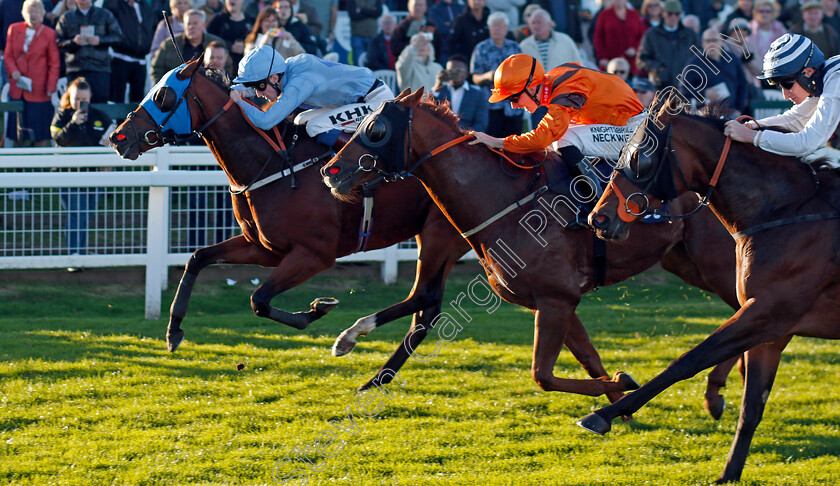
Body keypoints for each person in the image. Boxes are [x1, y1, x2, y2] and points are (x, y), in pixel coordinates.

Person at [470, 53, 646, 227]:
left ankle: (595, 209)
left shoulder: (566, 87)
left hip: (635, 131)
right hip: (622, 126)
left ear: (532, 88)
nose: (513, 105)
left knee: (564, 138)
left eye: (514, 98)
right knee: (562, 139)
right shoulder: (554, 80)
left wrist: (498, 142)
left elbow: (542, 137)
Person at [228, 45, 394, 146]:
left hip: (377, 103)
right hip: (357, 101)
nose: (258, 93)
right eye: (254, 87)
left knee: (315, 126)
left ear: (273, 77)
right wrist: (229, 89)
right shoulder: (286, 70)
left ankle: (352, 166)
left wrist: (240, 102)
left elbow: (265, 121)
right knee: (301, 120)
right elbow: (251, 86)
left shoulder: (300, 83)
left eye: (259, 86)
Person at [724, 33, 840, 162]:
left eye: (787, 84)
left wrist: (752, 136)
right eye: (780, 86)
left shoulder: (836, 81)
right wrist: (751, 126)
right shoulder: (825, 77)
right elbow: (794, 120)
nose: (785, 95)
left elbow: (807, 143)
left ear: (808, 72)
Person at [50, 77, 113, 259]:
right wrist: (73, 123)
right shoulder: (62, 116)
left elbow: (114, 133)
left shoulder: (99, 115)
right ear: (69, 96)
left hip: (93, 175)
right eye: (76, 98)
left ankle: (81, 252)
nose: (80, 103)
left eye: (84, 100)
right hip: (68, 175)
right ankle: (74, 255)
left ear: (90, 98)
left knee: (85, 217)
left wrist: (110, 140)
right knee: (75, 216)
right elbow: (58, 138)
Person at [5, 0, 58, 147]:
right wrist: (14, 71)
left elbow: (54, 63)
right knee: (17, 134)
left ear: (42, 14)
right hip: (18, 89)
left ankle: (42, 168)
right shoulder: (14, 29)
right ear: (23, 13)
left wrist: (51, 86)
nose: (33, 15)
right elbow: (8, 55)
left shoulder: (49, 34)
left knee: (41, 135)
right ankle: (18, 168)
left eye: (36, 11)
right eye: (30, 11)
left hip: (40, 91)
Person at [55, 0, 123, 102]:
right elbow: (58, 41)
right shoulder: (66, 17)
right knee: (75, 107)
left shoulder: (105, 15)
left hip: (99, 69)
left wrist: (100, 40)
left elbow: (118, 36)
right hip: (75, 70)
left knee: (99, 107)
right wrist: (73, 42)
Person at [471, 11, 522, 138]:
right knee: (491, 144)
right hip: (491, 106)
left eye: (501, 25)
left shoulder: (515, 48)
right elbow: (475, 77)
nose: (497, 29)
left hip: (513, 105)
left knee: (514, 145)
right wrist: (488, 76)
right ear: (489, 28)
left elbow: (523, 74)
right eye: (494, 25)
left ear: (506, 29)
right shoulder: (481, 48)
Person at [679, 27, 749, 115]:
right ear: (702, 43)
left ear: (721, 41)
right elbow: (683, 90)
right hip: (706, 115)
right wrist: (704, 93)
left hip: (731, 112)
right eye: (708, 41)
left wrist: (739, 109)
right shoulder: (694, 62)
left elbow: (743, 85)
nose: (711, 44)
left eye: (714, 40)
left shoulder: (732, 59)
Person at [637, 0, 700, 89]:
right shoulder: (652, 34)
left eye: (677, 14)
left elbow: (699, 57)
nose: (673, 17)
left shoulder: (691, 35)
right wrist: (657, 68)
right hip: (660, 87)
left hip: (685, 87)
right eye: (670, 13)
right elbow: (641, 60)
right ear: (663, 14)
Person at [103, 0, 156, 103]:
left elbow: (151, 26)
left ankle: (135, 119)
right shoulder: (116, 5)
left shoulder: (145, 6)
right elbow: (107, 13)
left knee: (138, 100)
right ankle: (119, 120)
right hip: (120, 58)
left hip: (140, 61)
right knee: (117, 97)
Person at [151, 9, 225, 83]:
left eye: (195, 23)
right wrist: (164, 89)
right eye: (188, 24)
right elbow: (156, 68)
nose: (191, 27)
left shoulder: (215, 43)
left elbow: (226, 67)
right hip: (176, 90)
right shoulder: (169, 45)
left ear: (204, 25)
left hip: (206, 89)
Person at [432, 53, 488, 132]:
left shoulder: (478, 94)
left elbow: (481, 124)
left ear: (466, 74)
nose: (454, 73)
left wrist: (464, 137)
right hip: (440, 137)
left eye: (458, 71)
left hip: (466, 139)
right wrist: (438, 84)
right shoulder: (440, 90)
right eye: (451, 70)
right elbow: (428, 110)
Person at [593, 0, 646, 74]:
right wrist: (602, 57)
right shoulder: (604, 15)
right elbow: (598, 37)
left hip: (631, 61)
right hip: (610, 61)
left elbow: (641, 36)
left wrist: (635, 48)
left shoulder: (634, 14)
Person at [207, 0, 253, 73]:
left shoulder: (251, 21)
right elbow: (209, 39)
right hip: (223, 66)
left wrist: (246, 47)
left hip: (245, 66)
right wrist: (229, 46)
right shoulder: (218, 19)